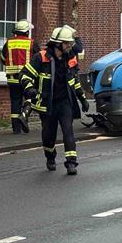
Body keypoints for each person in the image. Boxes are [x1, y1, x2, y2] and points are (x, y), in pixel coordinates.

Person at [20, 26, 90, 175]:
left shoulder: (70, 58)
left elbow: (75, 80)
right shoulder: (41, 57)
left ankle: (71, 163)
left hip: (65, 102)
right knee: (48, 136)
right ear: (57, 44)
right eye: (66, 43)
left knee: (68, 131)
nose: (70, 46)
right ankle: (50, 157)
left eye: (70, 43)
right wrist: (30, 89)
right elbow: (24, 75)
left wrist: (82, 98)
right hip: (47, 104)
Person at [1, 19, 36, 134]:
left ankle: (16, 129)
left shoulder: (9, 43)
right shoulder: (31, 43)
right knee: (31, 98)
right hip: (27, 79)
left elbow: (2, 58)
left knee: (15, 102)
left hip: (12, 79)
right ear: (26, 32)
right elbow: (38, 60)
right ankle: (24, 114)